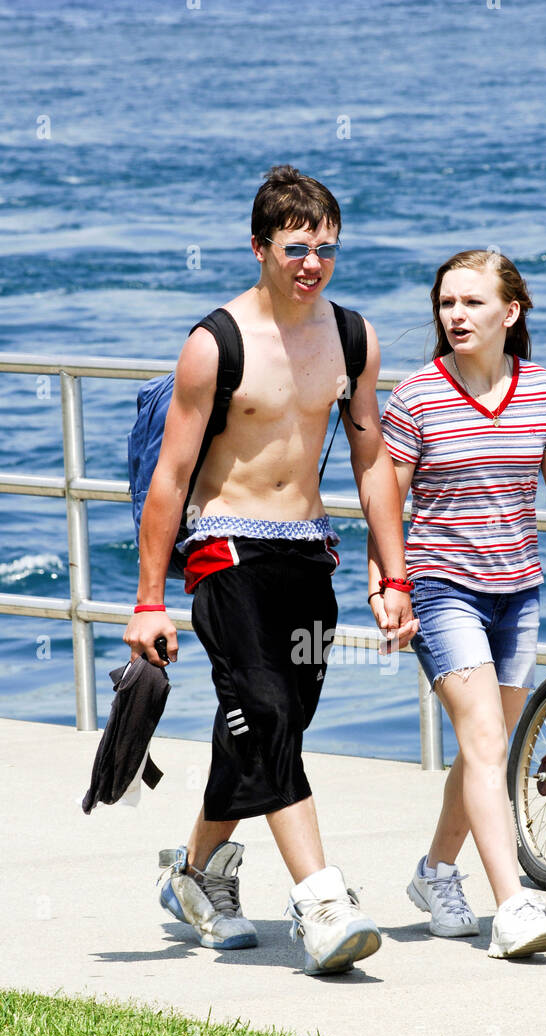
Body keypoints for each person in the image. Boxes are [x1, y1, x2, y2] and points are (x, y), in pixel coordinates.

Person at [123, 166, 417, 976]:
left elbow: (371, 461)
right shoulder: (213, 344)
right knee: (264, 707)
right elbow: (170, 481)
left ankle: (194, 876)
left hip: (306, 553)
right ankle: (322, 901)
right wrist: (149, 602)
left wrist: (393, 578)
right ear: (259, 247)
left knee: (265, 722)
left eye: (326, 248)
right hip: (226, 547)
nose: (312, 263)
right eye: (296, 247)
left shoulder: (353, 338)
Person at [372, 248, 546, 959]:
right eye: (447, 303)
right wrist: (386, 583)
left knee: (488, 749)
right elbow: (387, 499)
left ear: (510, 312)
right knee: (482, 744)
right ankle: (512, 906)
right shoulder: (417, 396)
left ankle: (435, 873)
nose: (455, 315)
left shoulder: (541, 391)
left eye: (472, 302)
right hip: (442, 587)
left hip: (519, 591)